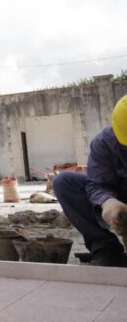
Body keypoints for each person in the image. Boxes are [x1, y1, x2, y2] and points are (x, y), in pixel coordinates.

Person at [53, 96, 127, 267]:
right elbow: (97, 184)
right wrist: (108, 202)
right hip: (120, 191)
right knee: (63, 182)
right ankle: (106, 250)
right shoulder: (105, 143)